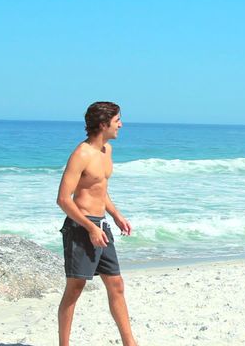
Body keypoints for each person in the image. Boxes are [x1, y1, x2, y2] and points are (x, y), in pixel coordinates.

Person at [56, 101, 137, 345]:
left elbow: (98, 190)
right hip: (81, 227)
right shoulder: (81, 155)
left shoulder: (107, 151)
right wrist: (90, 227)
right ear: (103, 124)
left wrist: (116, 214)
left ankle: (130, 343)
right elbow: (63, 199)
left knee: (117, 285)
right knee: (75, 289)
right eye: (117, 120)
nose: (121, 124)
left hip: (101, 225)